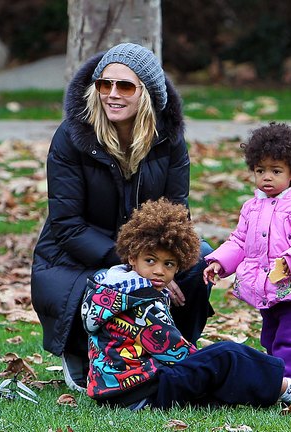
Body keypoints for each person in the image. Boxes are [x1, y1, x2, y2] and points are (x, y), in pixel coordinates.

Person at [30, 42, 213, 392]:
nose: (112, 94)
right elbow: (67, 225)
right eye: (104, 84)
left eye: (125, 86)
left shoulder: (168, 139)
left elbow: (177, 215)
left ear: (146, 93)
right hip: (76, 254)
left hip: (146, 248)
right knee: (104, 283)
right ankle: (81, 351)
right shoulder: (72, 136)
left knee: (199, 258)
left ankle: (174, 348)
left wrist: (165, 262)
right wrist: (133, 265)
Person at [81, 198, 291, 410]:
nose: (159, 271)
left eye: (169, 264)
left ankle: (278, 387)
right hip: (140, 392)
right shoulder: (142, 300)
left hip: (112, 391)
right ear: (132, 256)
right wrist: (209, 358)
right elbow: (177, 355)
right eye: (150, 260)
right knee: (226, 356)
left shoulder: (107, 286)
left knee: (222, 381)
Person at [203, 121, 291, 383]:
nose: (267, 177)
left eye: (276, 171)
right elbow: (239, 241)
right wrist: (219, 261)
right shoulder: (252, 207)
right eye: (260, 170)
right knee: (271, 337)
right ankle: (277, 380)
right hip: (267, 289)